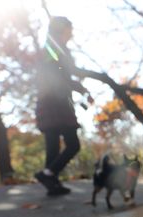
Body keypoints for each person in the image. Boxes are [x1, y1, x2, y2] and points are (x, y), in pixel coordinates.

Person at [34, 16, 93, 195]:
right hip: (55, 103)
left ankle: (51, 182)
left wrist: (78, 87)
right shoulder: (53, 48)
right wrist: (80, 87)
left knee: (53, 146)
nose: (71, 32)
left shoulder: (55, 48)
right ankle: (49, 175)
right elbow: (57, 73)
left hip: (51, 102)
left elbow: (62, 74)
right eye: (69, 29)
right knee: (72, 144)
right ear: (61, 29)